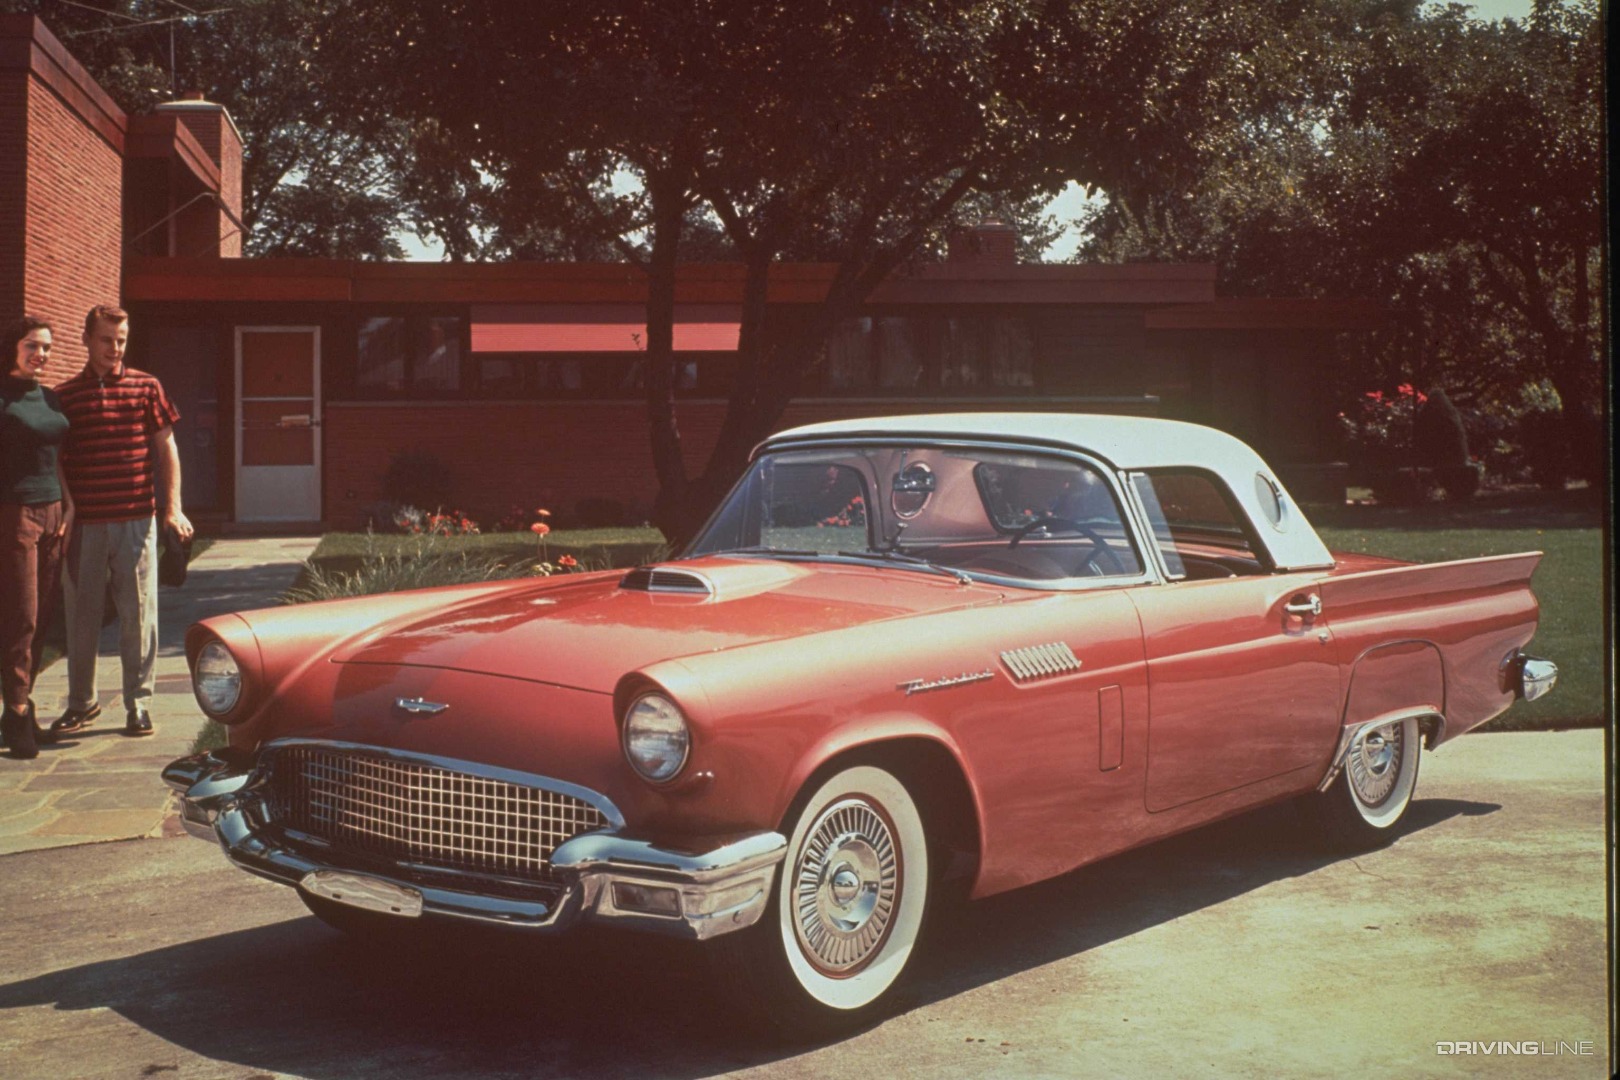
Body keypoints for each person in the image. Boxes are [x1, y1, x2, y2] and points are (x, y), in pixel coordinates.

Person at [51, 305, 192, 740]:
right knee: (82, 616)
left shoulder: (146, 387)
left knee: (138, 614)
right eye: (107, 339)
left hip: (135, 519)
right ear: (87, 339)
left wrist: (172, 508)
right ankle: (82, 703)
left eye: (122, 339)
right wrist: (68, 507)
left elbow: (166, 448)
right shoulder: (64, 396)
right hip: (86, 524)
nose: (115, 348)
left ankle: (139, 704)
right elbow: (56, 459)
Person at [0, 316, 73, 759]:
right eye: (32, 346)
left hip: (53, 512)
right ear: (13, 348)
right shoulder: (5, 398)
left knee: (45, 616)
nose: (40, 354)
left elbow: (56, 457)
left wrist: (68, 504)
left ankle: (25, 708)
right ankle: (15, 710)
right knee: (21, 616)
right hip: (14, 514)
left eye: (46, 347)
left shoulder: (49, 397)